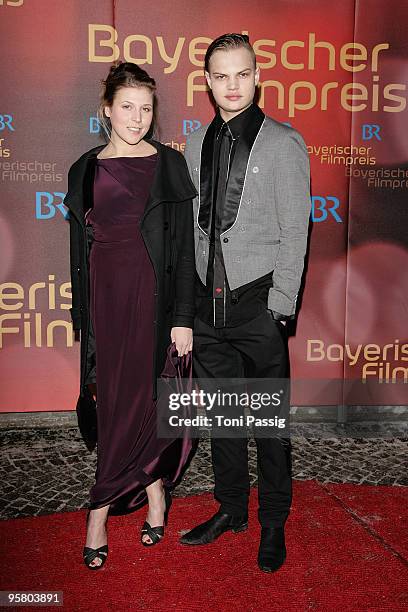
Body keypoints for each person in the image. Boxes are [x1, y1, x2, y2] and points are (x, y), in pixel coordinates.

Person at [180, 34, 310, 573]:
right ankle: (231, 509)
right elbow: (193, 231)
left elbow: (294, 232)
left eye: (241, 74)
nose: (231, 86)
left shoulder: (284, 143)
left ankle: (273, 519)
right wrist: (187, 311)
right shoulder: (194, 144)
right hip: (209, 312)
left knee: (269, 424)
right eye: (220, 76)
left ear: (256, 76)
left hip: (259, 306)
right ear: (207, 82)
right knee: (226, 421)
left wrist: (280, 307)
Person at [65, 62, 196, 569]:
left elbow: (183, 251)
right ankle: (155, 493)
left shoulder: (169, 165)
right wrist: (83, 313)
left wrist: (183, 317)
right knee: (116, 403)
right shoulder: (86, 169)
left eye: (146, 109)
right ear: (107, 110)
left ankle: (99, 510)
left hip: (153, 303)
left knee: (146, 401)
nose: (137, 118)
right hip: (105, 303)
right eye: (127, 107)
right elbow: (79, 248)